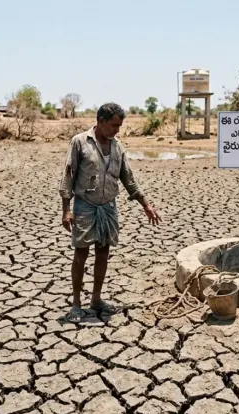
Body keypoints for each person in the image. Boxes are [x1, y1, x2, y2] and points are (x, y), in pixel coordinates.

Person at [58, 102, 162, 323]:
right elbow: (68, 176)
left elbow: (128, 179)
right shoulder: (80, 142)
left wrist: (146, 205)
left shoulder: (117, 146)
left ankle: (96, 299)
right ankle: (76, 305)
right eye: (114, 125)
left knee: (103, 252)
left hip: (108, 207)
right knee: (81, 254)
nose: (117, 130)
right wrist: (67, 209)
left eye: (119, 126)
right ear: (101, 121)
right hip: (85, 205)